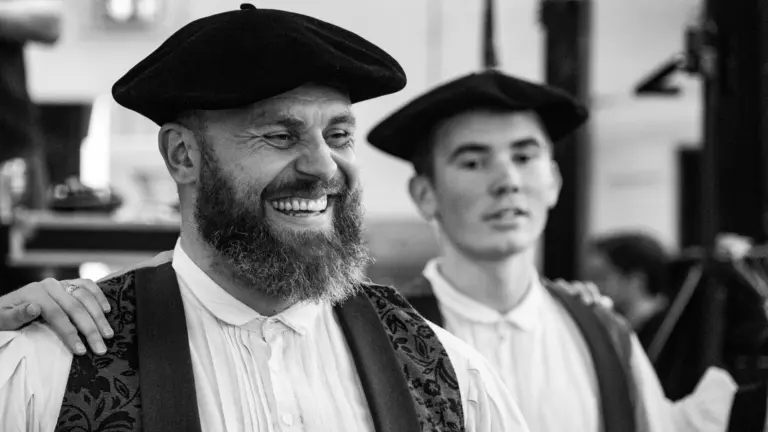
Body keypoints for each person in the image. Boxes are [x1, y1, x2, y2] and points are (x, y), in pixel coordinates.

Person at [0, 6, 529, 431]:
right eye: (280, 136)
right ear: (183, 155)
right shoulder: (45, 369)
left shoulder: (449, 373)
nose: (324, 166)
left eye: (339, 135)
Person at [365, 69, 759, 432]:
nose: (507, 180)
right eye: (473, 162)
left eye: (524, 157)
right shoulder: (384, 336)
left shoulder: (601, 332)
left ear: (553, 181)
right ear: (425, 194)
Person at [584, 232, 672, 349]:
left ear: (636, 280)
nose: (591, 285)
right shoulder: (616, 330)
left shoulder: (667, 334)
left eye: (600, 276)